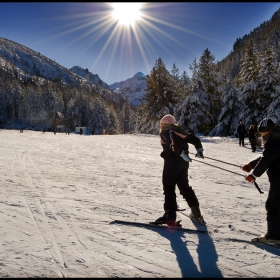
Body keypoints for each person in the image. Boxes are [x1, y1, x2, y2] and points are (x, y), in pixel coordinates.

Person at [155, 114, 205, 226]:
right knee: (184, 187)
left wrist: (181, 153)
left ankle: (170, 215)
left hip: (171, 164)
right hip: (183, 164)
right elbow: (194, 138)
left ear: (163, 124)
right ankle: (197, 213)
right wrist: (199, 150)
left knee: (169, 187)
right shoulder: (179, 131)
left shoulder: (166, 132)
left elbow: (172, 144)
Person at [241, 118, 280, 244]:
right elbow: (267, 156)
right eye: (261, 135)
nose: (263, 138)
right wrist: (251, 165)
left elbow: (266, 160)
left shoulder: (273, 141)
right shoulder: (276, 139)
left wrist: (254, 175)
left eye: (264, 135)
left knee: (273, 206)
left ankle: (274, 236)